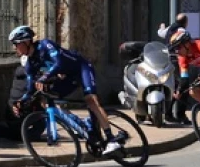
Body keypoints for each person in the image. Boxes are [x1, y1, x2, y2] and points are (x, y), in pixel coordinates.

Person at [8, 26, 126, 156]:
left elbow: (59, 63)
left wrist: (43, 78)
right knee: (46, 96)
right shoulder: (30, 63)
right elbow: (30, 87)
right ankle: (82, 125)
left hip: (81, 69)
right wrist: (21, 101)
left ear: (26, 41)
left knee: (91, 100)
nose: (14, 48)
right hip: (68, 77)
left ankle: (111, 139)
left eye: (16, 44)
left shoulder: (45, 45)